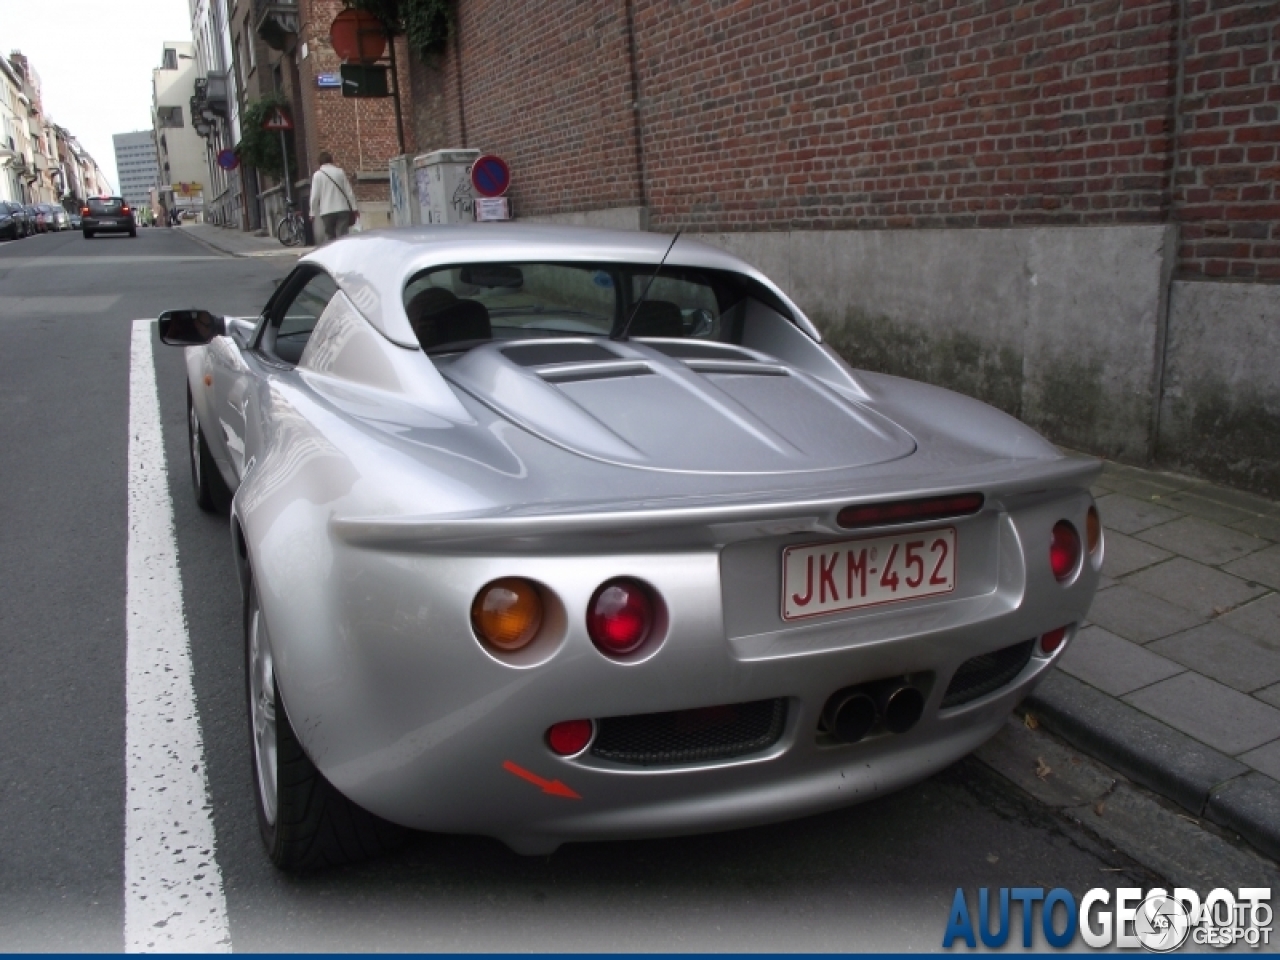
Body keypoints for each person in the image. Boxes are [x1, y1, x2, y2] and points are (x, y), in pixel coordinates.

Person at [310, 151, 357, 244]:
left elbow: (314, 196)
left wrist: (312, 212)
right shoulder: (340, 172)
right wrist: (354, 208)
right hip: (342, 209)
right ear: (331, 160)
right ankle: (342, 254)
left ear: (320, 162)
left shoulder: (317, 175)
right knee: (343, 237)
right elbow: (349, 192)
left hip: (327, 212)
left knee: (330, 237)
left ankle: (332, 256)